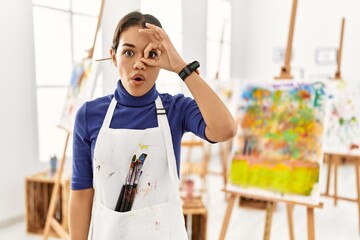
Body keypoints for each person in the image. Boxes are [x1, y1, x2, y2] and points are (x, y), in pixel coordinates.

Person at [69, 11, 237, 240]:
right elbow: (81, 192)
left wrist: (180, 66)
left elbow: (225, 129)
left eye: (150, 54)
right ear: (113, 56)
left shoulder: (176, 109)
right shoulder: (89, 115)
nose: (139, 63)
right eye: (128, 52)